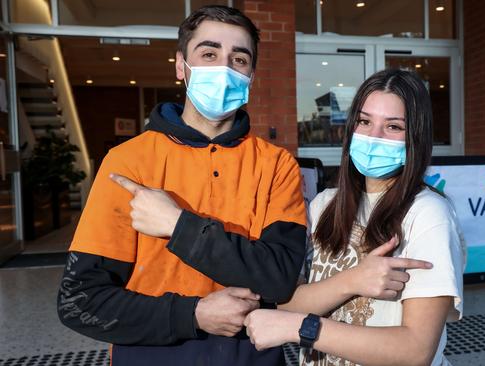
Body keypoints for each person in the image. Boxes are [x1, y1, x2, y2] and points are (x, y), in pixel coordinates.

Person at [57, 5, 308, 365]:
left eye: (238, 59)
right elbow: (80, 300)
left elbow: (279, 279)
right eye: (208, 54)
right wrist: (192, 315)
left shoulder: (276, 165)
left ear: (251, 73)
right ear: (180, 66)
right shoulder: (128, 162)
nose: (224, 67)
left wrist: (178, 226)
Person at [244, 69, 466, 366]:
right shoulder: (324, 205)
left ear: (416, 137)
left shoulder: (427, 212)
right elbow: (287, 300)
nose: (374, 137)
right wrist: (352, 281)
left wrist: (300, 328)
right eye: (364, 121)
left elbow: (416, 350)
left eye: (393, 127)